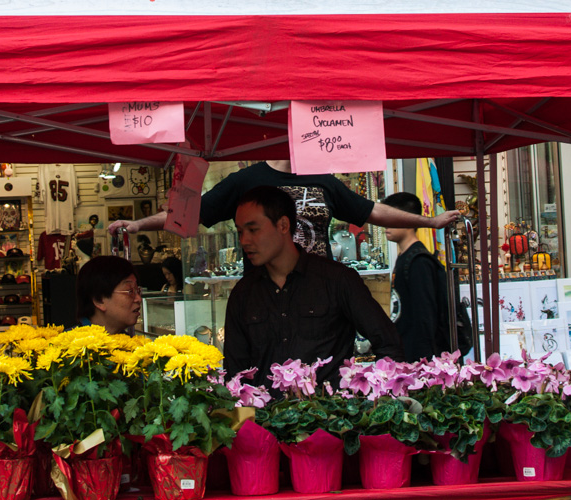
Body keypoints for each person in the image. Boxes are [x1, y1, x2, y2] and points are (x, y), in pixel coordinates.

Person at [223, 185, 402, 386]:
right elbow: (235, 373)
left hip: (328, 403)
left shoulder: (337, 280)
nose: (244, 240)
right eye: (240, 232)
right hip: (264, 405)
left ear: (283, 225)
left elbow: (389, 344)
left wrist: (371, 394)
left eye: (253, 230)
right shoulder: (243, 294)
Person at [108, 160, 461, 259]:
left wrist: (430, 222)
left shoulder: (323, 178)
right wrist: (138, 225)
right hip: (265, 293)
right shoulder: (247, 180)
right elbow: (191, 213)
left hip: (320, 290)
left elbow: (371, 211)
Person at [383, 191, 452, 362]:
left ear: (409, 220)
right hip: (407, 356)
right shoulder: (405, 257)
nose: (385, 225)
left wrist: (422, 363)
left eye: (391, 219)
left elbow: (425, 318)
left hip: (420, 361)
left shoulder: (419, 261)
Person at [76, 255, 141, 334]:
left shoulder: (131, 340)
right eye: (130, 291)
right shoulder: (69, 341)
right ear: (99, 300)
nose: (138, 299)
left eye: (138, 291)